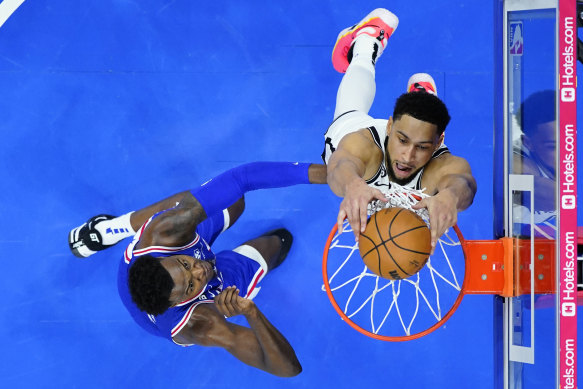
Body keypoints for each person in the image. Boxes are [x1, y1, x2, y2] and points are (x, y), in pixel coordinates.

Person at [68, 162, 327, 377]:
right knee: (273, 245)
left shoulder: (164, 235)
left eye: (185, 264)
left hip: (163, 250)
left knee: (225, 202)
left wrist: (320, 173)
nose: (201, 270)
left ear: (163, 258)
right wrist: (251, 312)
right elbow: (288, 368)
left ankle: (107, 231)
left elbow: (241, 178)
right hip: (207, 299)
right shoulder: (197, 323)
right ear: (178, 302)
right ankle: (250, 259)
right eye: (191, 285)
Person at [323, 8, 477, 252]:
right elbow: (339, 166)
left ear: (439, 144)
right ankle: (366, 41)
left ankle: (422, 100)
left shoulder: (441, 164)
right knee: (349, 109)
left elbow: (463, 183)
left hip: (417, 142)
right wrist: (353, 185)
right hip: (358, 132)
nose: (407, 156)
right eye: (402, 141)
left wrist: (450, 197)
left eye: (422, 147)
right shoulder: (363, 143)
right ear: (390, 125)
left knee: (423, 142)